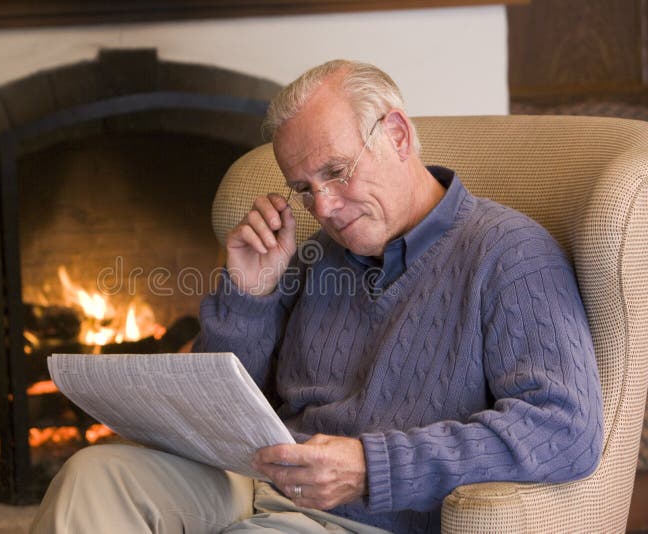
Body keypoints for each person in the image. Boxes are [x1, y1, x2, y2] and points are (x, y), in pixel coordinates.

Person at [30, 60, 603, 534]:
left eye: (337, 171)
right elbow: (226, 398)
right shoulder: (313, 254)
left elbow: (565, 429)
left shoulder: (511, 253)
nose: (324, 208)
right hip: (259, 479)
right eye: (304, 188)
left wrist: (369, 469)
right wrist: (251, 293)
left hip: (365, 517)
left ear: (398, 136)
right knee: (93, 476)